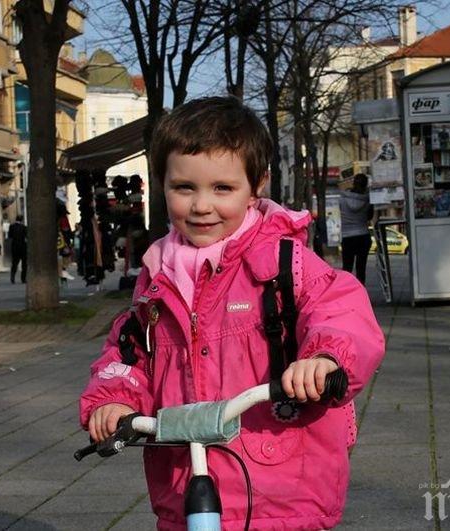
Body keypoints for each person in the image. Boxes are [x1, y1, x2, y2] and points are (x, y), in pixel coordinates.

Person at [79, 97, 385, 530]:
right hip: (187, 480)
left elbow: (340, 311)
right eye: (184, 188)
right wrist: (113, 399)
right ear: (162, 184)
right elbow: (128, 352)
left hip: (281, 486)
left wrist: (325, 360)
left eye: (223, 189)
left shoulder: (283, 264)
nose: (202, 205)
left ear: (256, 184)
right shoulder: (158, 274)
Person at [339, 173, 374, 285]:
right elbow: (369, 217)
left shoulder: (342, 199)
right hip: (363, 235)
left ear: (353, 183)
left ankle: (346, 293)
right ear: (365, 185)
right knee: (361, 268)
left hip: (347, 237)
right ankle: (360, 293)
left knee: (347, 268)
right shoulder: (368, 200)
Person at [8, 215, 27, 284]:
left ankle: (12, 277)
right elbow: (26, 237)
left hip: (14, 247)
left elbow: (10, 236)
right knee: (24, 264)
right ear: (21, 220)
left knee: (14, 263)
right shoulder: (24, 227)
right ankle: (23, 278)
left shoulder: (11, 227)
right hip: (23, 247)